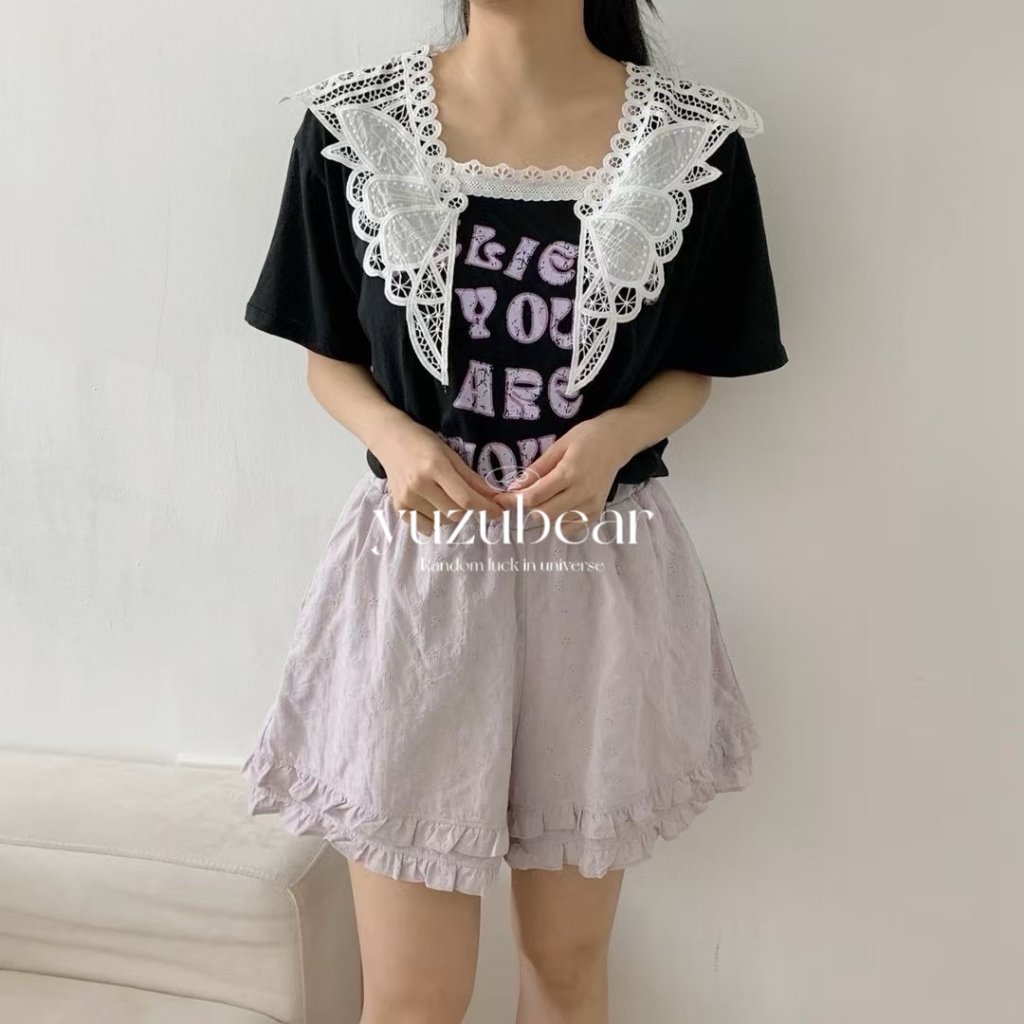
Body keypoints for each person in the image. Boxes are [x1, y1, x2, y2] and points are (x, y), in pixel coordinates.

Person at [241, 1, 788, 1021]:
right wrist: (397, 439)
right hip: (417, 589)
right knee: (413, 994)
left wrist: (616, 437)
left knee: (566, 969)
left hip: (597, 581)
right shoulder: (357, 126)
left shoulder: (688, 142)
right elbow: (329, 355)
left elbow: (697, 363)